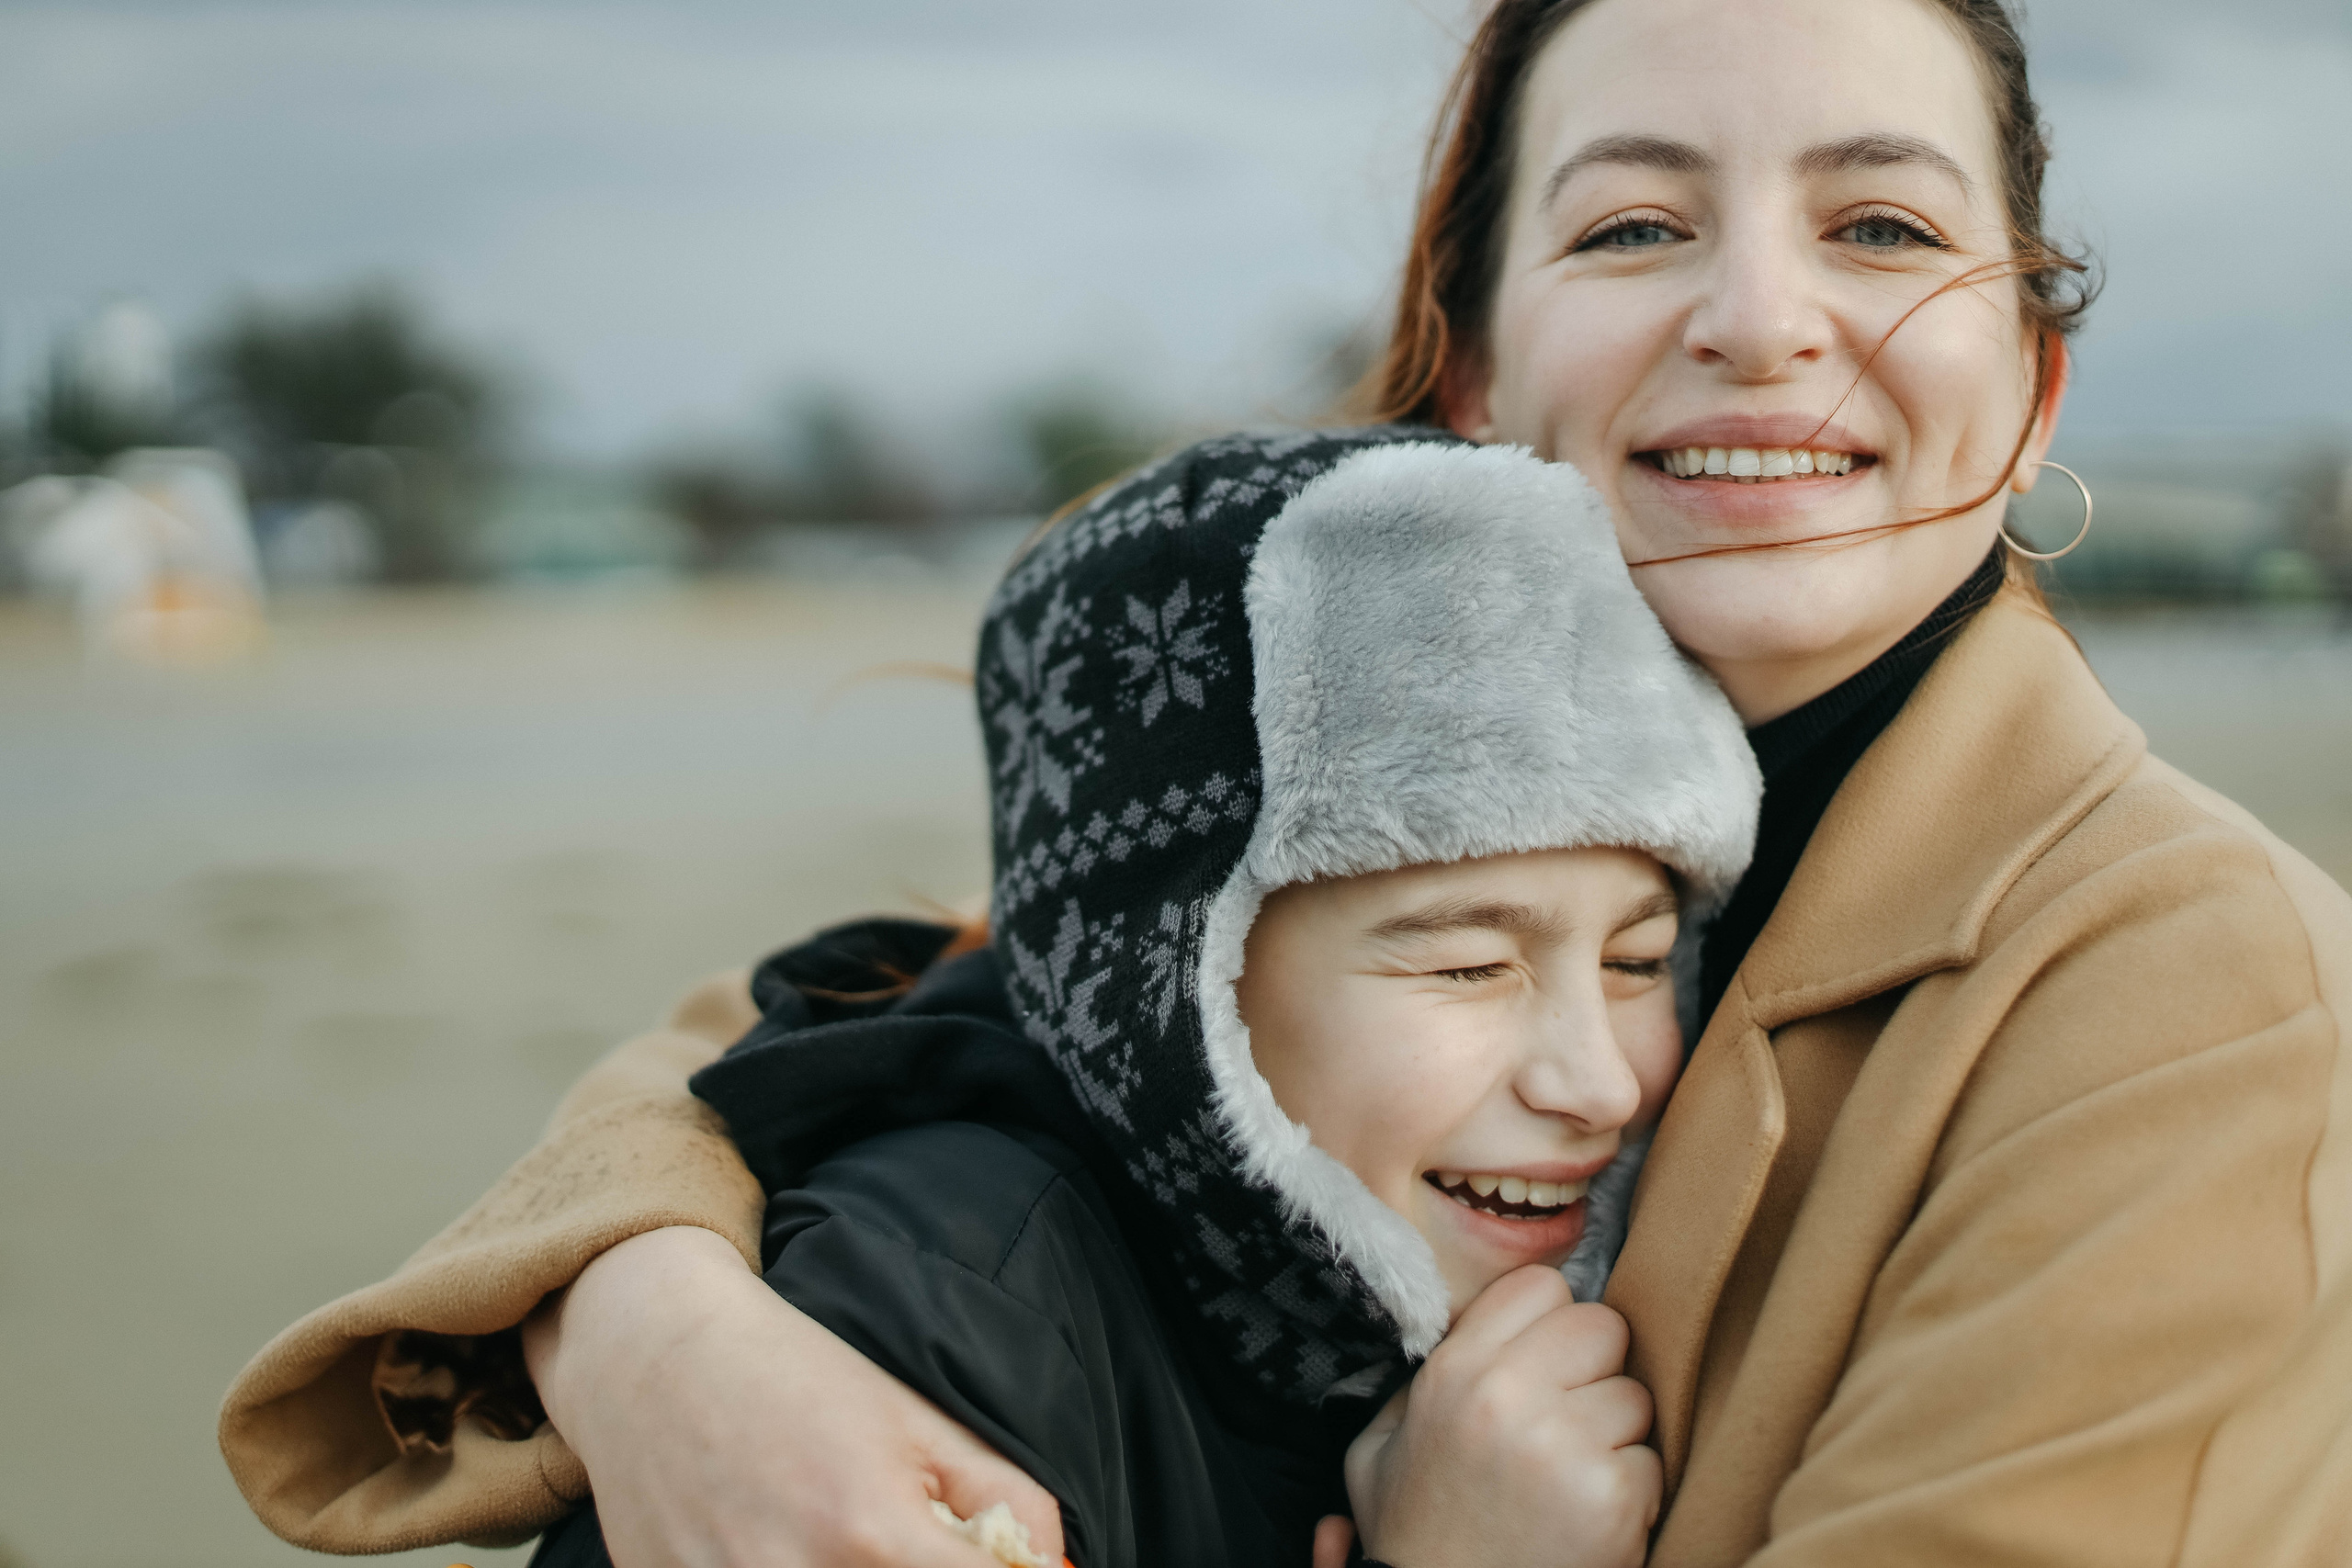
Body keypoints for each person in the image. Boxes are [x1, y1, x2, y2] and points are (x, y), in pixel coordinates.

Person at [221, 0, 2352, 1563]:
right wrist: (668, 1328)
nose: (1764, 318)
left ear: (2033, 371)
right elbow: (868, 1021)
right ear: (1475, 371)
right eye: (1630, 229)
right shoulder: (1367, 780)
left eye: (1880, 225)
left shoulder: (2200, 995)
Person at [528, 434, 1760, 1568]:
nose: (1598, 1081)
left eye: (1638, 961)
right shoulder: (924, 1333)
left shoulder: (1359, 1280)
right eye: (1466, 967)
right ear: (1168, 989)